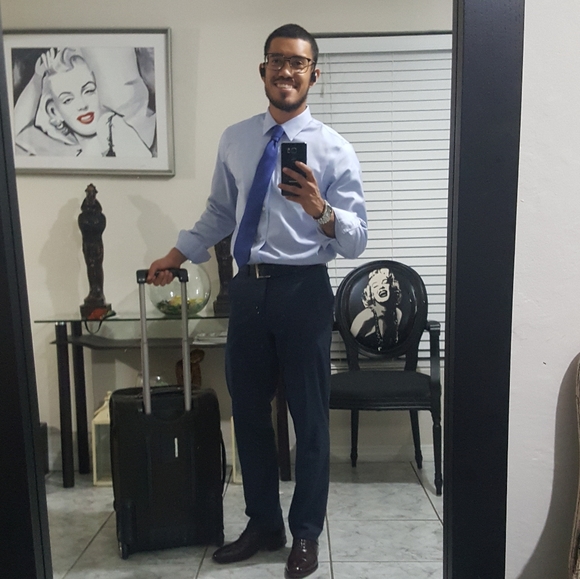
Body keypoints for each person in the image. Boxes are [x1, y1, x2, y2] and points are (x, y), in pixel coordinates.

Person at [147, 24, 367, 579]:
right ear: (263, 69)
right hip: (246, 290)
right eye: (277, 60)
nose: (286, 70)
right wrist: (176, 253)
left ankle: (306, 532)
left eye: (299, 63)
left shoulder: (335, 149)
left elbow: (356, 239)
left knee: (310, 420)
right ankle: (264, 524)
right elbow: (220, 213)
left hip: (304, 290)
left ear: (314, 75)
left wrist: (320, 208)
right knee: (247, 414)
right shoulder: (235, 139)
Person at [13, 47, 152, 158]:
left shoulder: (111, 126)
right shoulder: (66, 150)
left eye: (89, 91)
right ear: (54, 112)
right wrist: (37, 78)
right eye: (68, 100)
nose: (82, 105)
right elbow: (16, 132)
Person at [350, 267, 403, 351]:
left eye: (385, 282)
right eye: (375, 286)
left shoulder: (398, 313)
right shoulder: (364, 318)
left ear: (391, 286)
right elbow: (350, 344)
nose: (381, 287)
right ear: (370, 293)